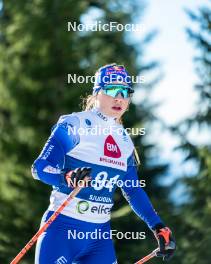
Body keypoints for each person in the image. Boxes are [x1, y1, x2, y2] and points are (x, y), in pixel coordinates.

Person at [32, 63, 176, 264]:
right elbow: (39, 168)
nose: (119, 97)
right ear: (96, 93)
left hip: (99, 238)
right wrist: (66, 178)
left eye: (125, 92)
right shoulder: (75, 125)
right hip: (62, 229)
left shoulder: (125, 141)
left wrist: (158, 226)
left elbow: (133, 190)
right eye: (111, 90)